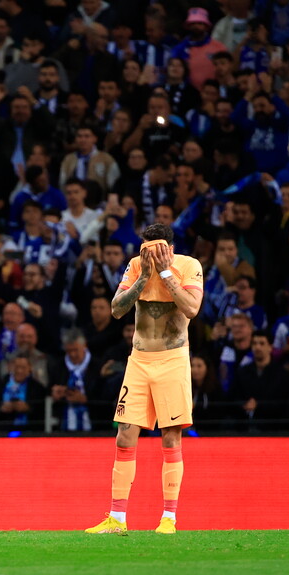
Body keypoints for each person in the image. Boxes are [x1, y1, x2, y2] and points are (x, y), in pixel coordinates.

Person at [85, 223, 203, 536]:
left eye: (157, 248)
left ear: (170, 248)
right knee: (124, 434)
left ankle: (168, 518)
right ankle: (117, 518)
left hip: (172, 360)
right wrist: (142, 279)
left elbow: (192, 308)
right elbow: (116, 309)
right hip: (139, 360)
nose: (150, 254)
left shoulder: (189, 266)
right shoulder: (136, 265)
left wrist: (165, 273)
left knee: (170, 436)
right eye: (146, 248)